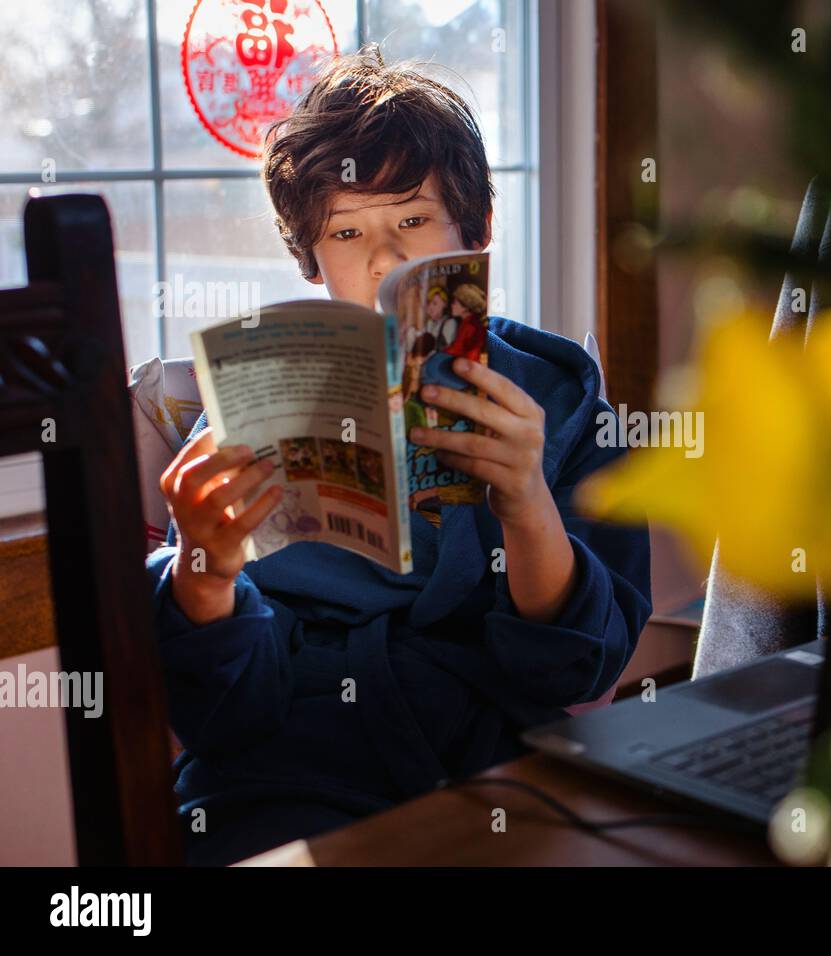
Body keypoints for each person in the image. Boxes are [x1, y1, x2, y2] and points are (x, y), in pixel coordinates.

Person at [147, 45, 653, 866]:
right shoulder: (257, 406)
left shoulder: (561, 406)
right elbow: (221, 714)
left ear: (477, 230)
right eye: (347, 232)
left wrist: (525, 500)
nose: (382, 259)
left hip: (498, 765)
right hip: (290, 769)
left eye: (411, 221)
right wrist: (203, 568)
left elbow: (579, 670)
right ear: (310, 260)